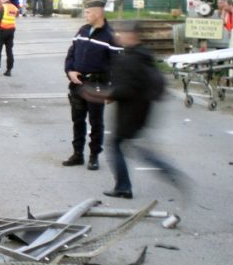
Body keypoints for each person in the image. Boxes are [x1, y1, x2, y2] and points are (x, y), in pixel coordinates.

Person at [80, 21, 188, 199]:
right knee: (136, 147)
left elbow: (126, 89)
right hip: (142, 110)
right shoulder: (143, 55)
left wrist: (99, 94)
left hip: (130, 112)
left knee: (117, 145)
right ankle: (163, 173)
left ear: (132, 35)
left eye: (121, 32)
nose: (117, 36)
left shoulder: (129, 59)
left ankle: (124, 187)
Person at [62, 0, 120, 171]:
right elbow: (71, 54)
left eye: (88, 12)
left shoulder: (110, 36)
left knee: (96, 122)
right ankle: (77, 154)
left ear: (98, 13)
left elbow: (118, 65)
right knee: (78, 120)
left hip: (97, 84)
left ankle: (94, 156)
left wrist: (113, 90)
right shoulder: (83, 30)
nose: (85, 15)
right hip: (78, 83)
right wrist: (70, 71)